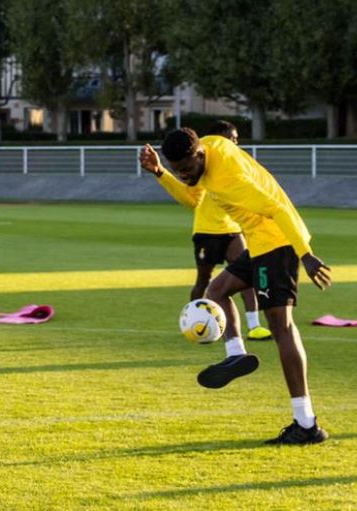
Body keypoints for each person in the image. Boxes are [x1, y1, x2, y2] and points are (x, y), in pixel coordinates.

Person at [140, 128, 333, 445]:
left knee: (281, 327)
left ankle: (306, 424)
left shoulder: (228, 178)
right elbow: (193, 198)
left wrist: (305, 254)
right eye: (179, 170)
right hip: (258, 244)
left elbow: (278, 208)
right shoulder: (210, 147)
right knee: (216, 291)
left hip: (278, 242)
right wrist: (160, 172)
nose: (185, 175)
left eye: (187, 169)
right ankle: (236, 354)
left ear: (199, 155)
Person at [150, 120, 271, 341]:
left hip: (232, 231)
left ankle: (254, 326)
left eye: (236, 138)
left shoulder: (233, 163)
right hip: (206, 231)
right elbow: (192, 199)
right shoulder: (200, 166)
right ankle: (191, 320)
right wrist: (161, 172)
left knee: (246, 276)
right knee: (203, 281)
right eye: (230, 138)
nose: (235, 142)